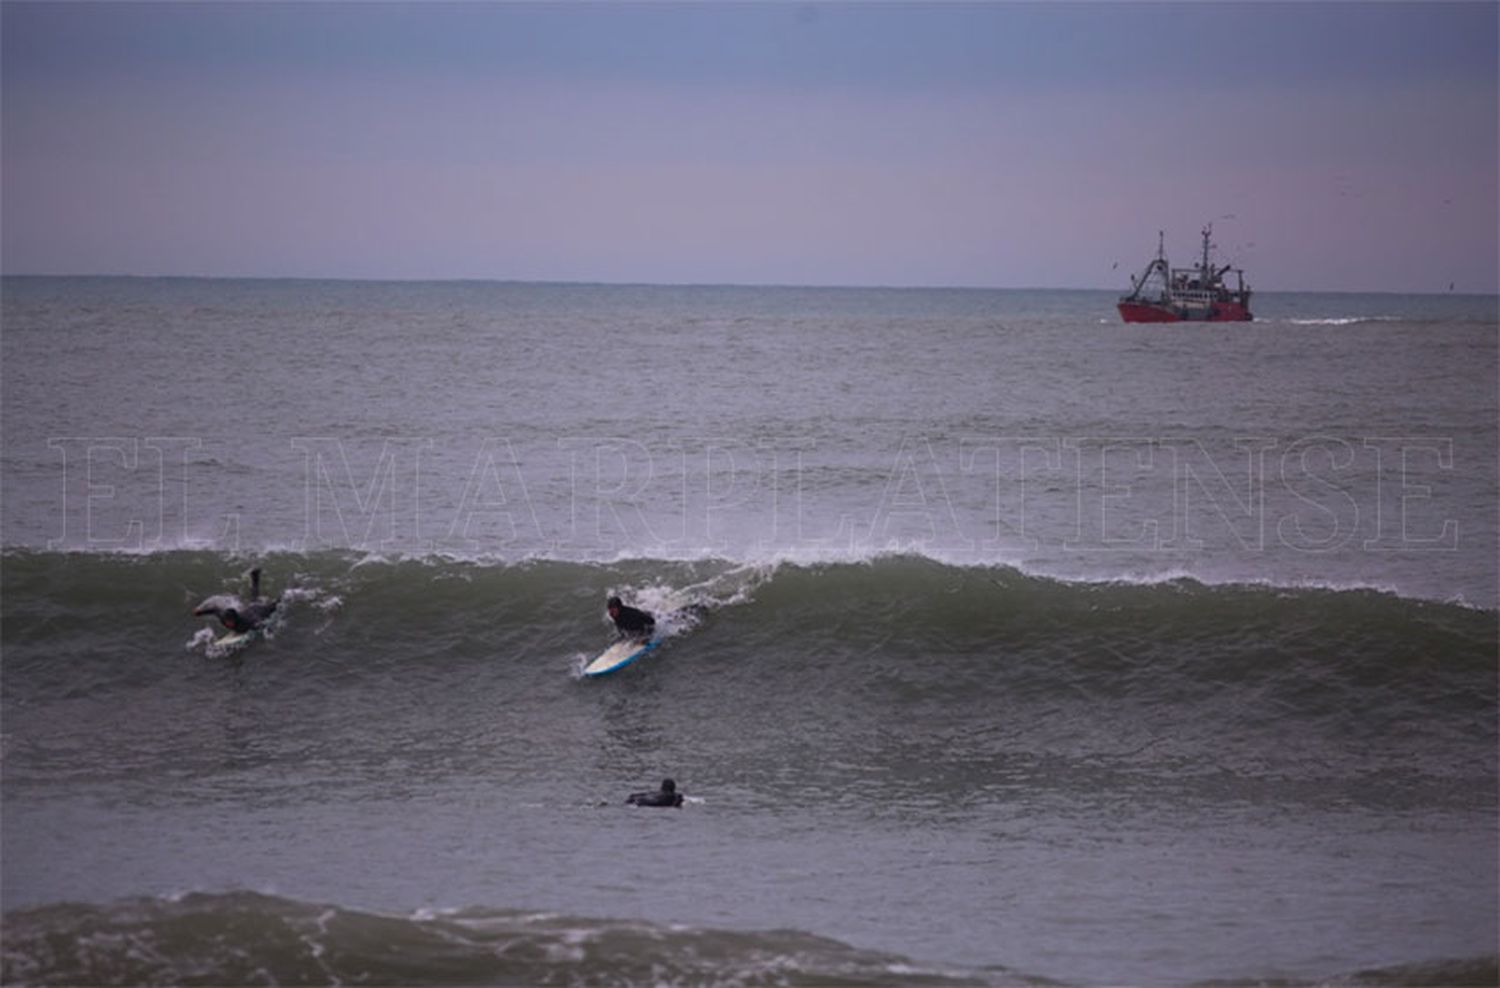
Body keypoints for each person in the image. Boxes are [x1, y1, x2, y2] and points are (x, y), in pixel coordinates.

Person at [194, 567, 281, 634]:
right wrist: (199, 612)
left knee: (276, 604)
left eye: (230, 622)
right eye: (227, 621)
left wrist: (268, 630)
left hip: (259, 610)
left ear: (236, 619)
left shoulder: (246, 622)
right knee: (254, 599)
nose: (228, 624)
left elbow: (260, 623)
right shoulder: (223, 617)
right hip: (250, 608)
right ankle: (255, 576)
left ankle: (288, 593)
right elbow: (214, 610)